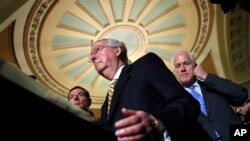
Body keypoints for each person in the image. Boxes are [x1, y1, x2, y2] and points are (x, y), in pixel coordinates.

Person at [89, 38, 212, 141]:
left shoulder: (145, 64)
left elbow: (186, 102)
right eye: (91, 56)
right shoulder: (105, 106)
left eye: (97, 49)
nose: (93, 57)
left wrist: (157, 122)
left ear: (117, 50)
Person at [171, 50, 248, 141]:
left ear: (195, 66)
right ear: (175, 71)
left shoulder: (212, 83)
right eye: (178, 66)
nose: (182, 69)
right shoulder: (177, 100)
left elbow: (241, 95)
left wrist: (205, 76)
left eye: (186, 63)